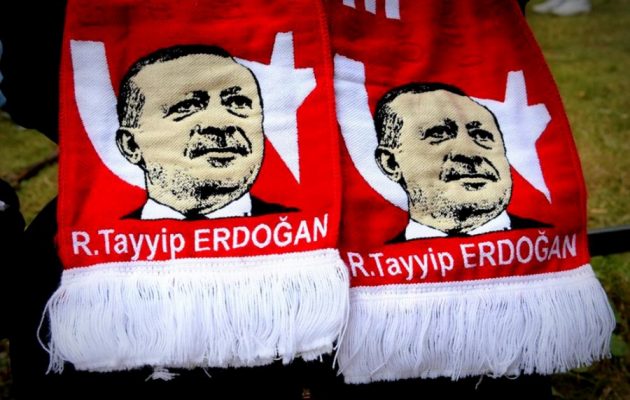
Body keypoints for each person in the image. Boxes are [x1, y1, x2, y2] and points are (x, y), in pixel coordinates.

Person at [116, 45, 294, 220]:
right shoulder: (110, 235)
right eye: (187, 106)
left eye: (238, 103)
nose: (221, 123)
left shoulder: (294, 225)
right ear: (131, 146)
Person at [374, 83, 547, 242]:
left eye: (481, 135)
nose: (469, 152)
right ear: (391, 163)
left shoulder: (550, 243)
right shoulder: (375, 262)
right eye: (439, 133)